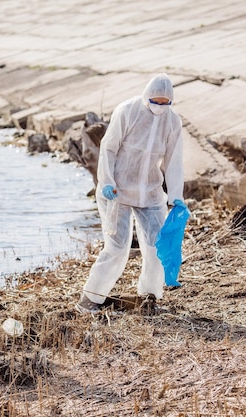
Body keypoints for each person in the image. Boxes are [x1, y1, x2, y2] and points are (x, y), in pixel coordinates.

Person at [76, 73, 185, 314]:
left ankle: (149, 298)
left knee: (157, 246)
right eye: (155, 102)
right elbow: (109, 147)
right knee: (116, 247)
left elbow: (173, 162)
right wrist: (106, 181)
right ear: (147, 97)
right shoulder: (128, 111)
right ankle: (90, 299)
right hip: (118, 190)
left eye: (164, 103)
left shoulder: (172, 122)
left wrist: (176, 197)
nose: (159, 107)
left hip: (150, 192)